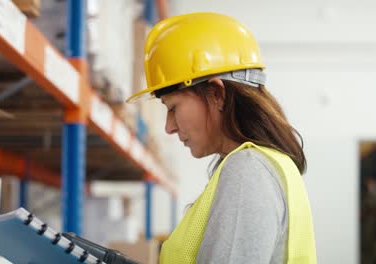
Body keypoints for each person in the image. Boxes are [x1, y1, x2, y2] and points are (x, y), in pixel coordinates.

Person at [126, 12, 317, 264]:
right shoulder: (262, 166)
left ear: (216, 93)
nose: (168, 128)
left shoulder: (249, 170)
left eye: (173, 108)